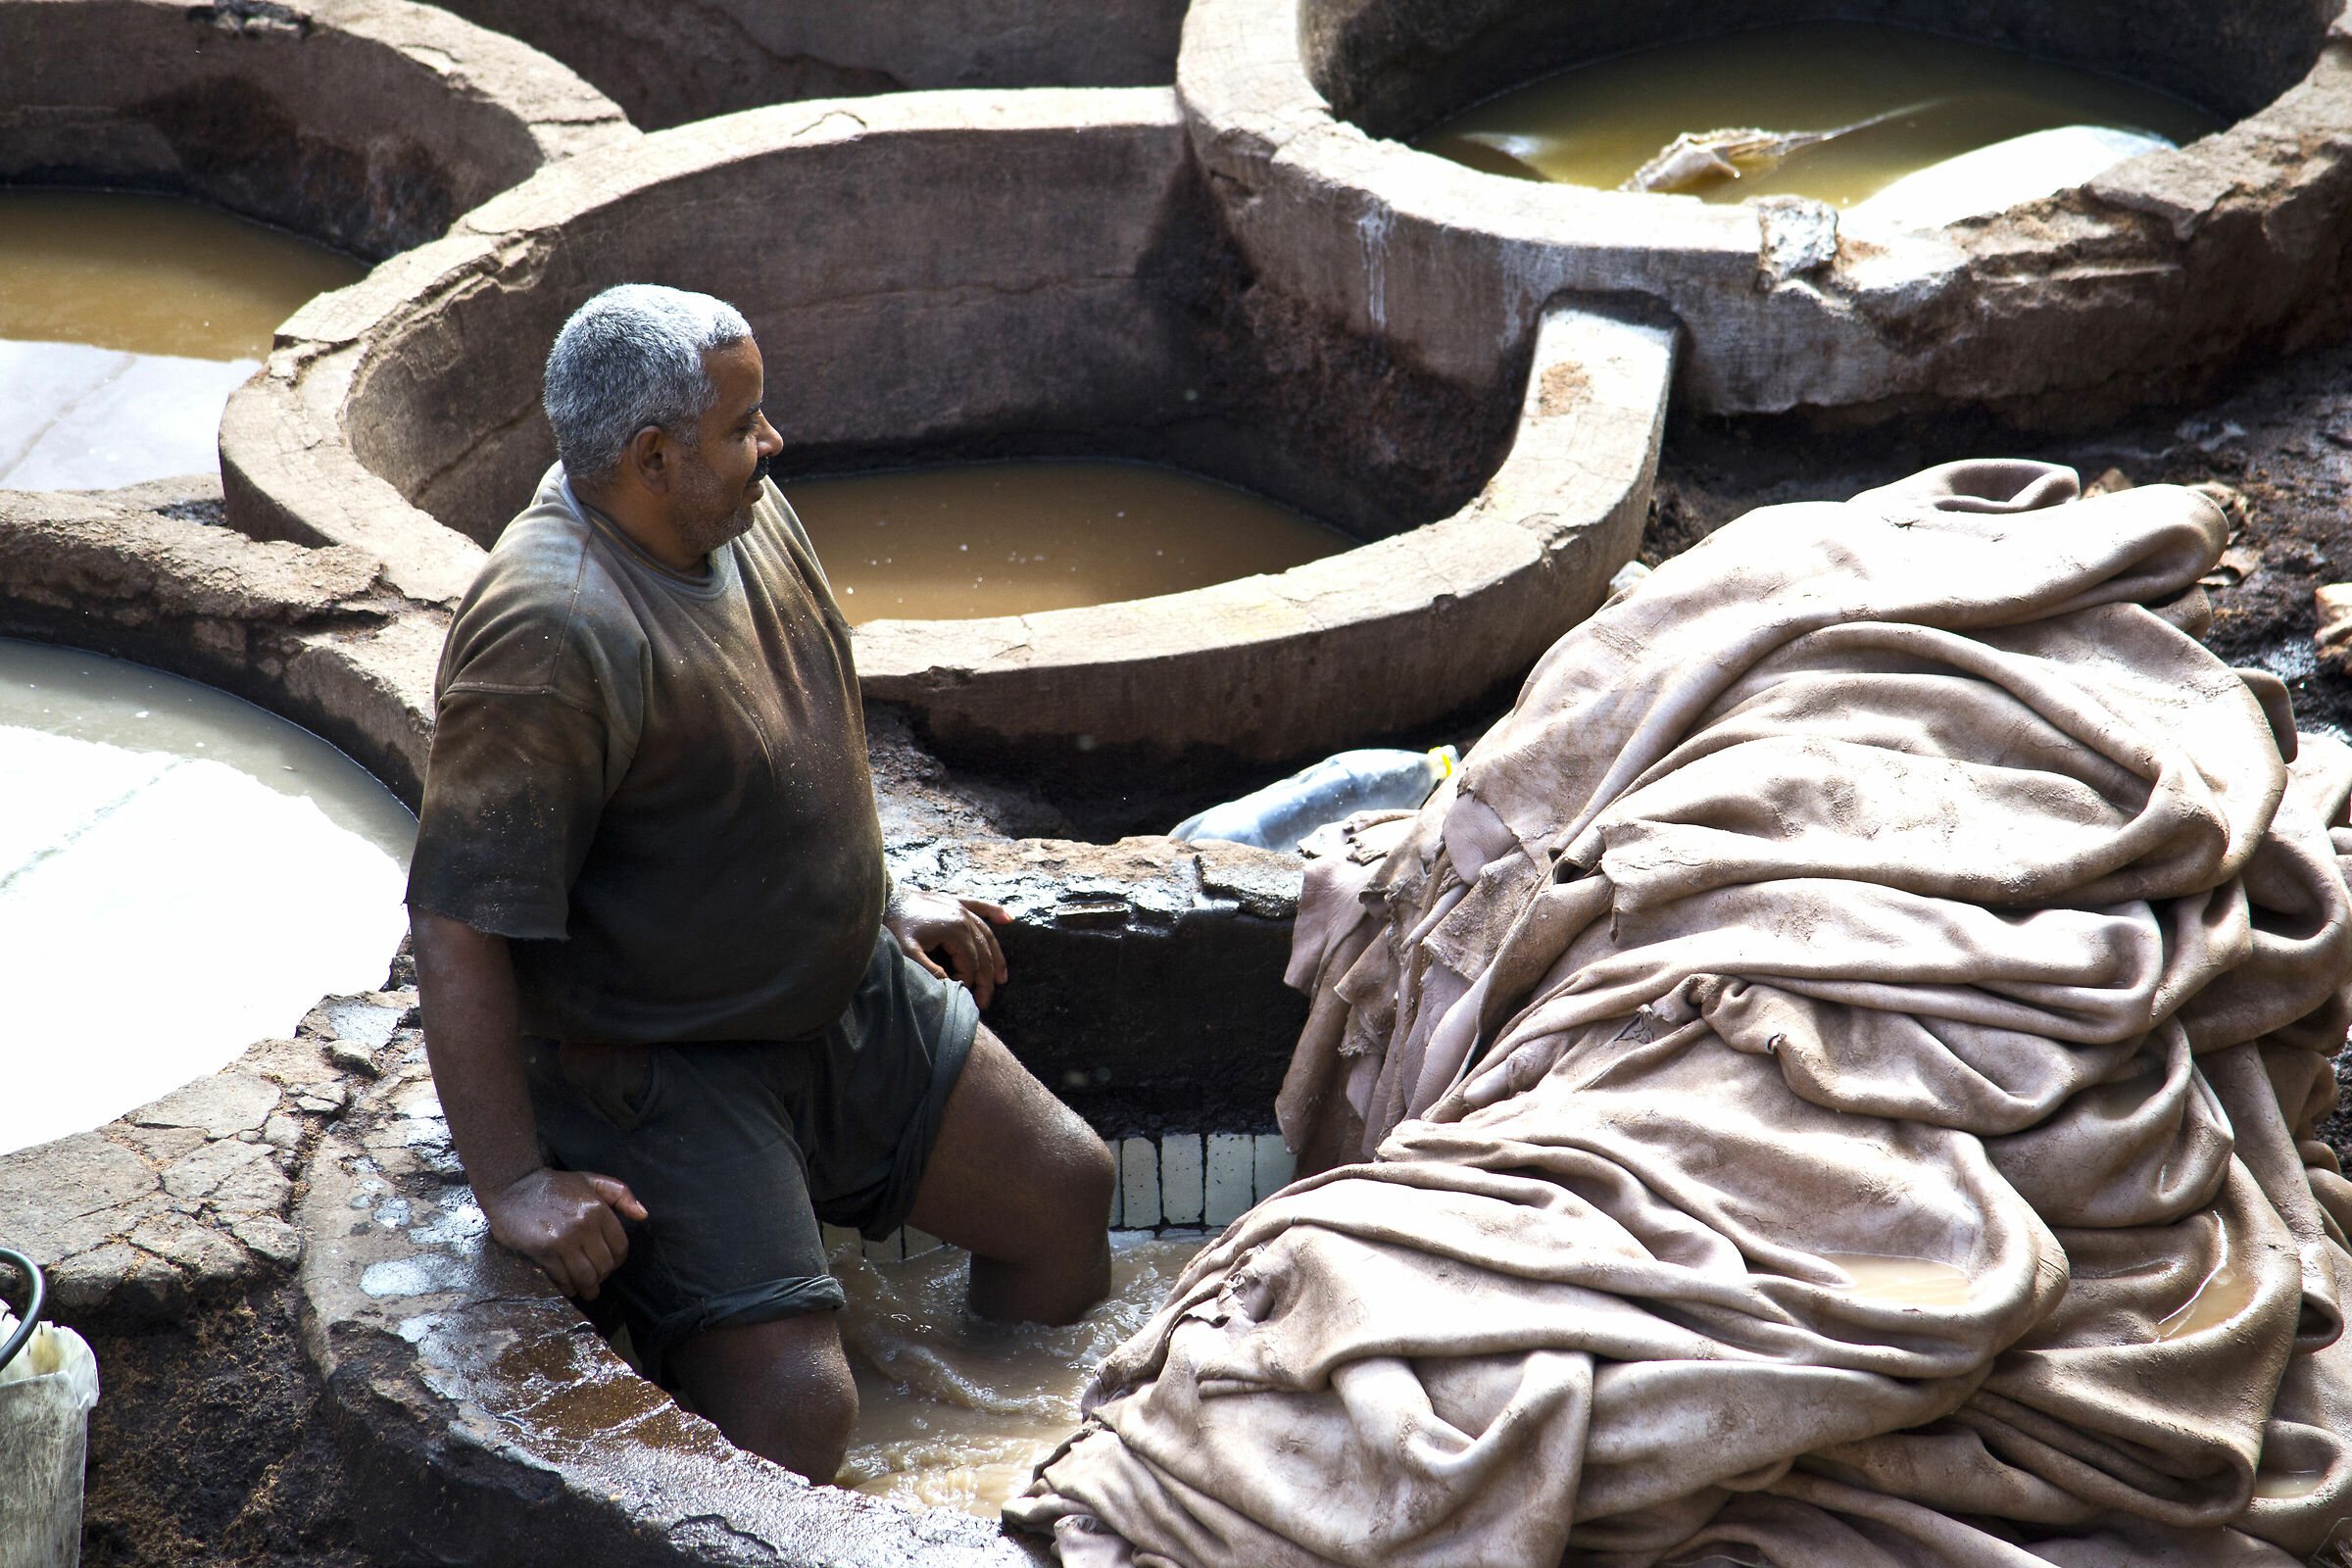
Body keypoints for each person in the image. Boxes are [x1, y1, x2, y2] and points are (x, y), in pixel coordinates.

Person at [404, 283, 1116, 1482]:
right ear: (651, 456)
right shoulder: (551, 630)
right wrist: (516, 1182)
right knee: (799, 1409)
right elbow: (456, 921)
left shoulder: (738, 513)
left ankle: (1003, 1468)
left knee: (1066, 1195)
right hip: (664, 1059)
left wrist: (881, 897)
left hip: (830, 990)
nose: (772, 444)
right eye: (744, 427)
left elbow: (808, 714)